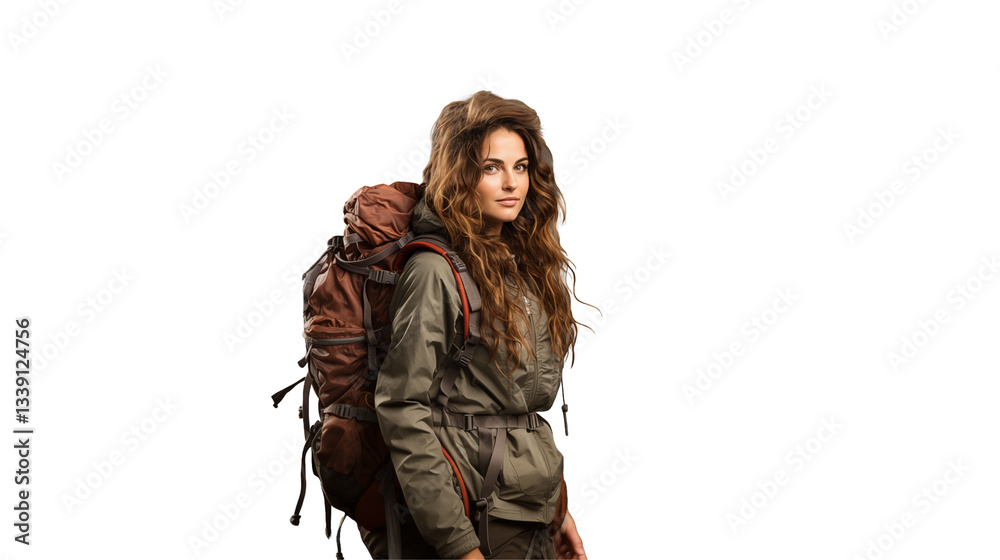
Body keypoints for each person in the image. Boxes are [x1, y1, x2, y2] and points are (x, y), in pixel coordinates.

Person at [360, 91, 589, 559]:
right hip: (477, 513)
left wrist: (558, 512)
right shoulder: (434, 271)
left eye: (521, 166)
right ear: (461, 175)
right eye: (491, 168)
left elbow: (519, 410)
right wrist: (458, 544)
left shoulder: (523, 264)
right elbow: (401, 408)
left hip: (530, 514)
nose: (512, 183)